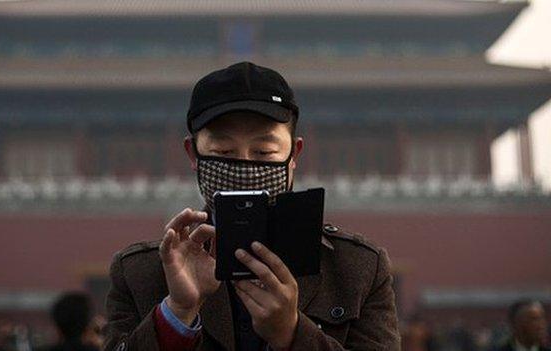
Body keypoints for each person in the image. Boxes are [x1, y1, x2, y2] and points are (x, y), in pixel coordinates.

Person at [104, 62, 400, 350]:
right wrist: (177, 313)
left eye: (263, 151)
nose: (245, 165)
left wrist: (292, 334)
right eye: (224, 151)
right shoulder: (140, 273)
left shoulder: (357, 269)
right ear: (193, 153)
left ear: (294, 154)